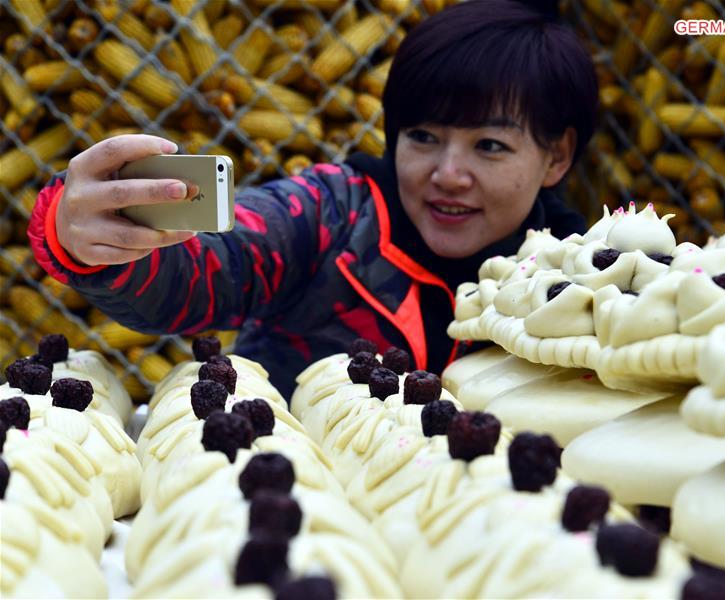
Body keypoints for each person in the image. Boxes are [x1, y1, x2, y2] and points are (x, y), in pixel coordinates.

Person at [28, 0, 598, 399]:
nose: (449, 174)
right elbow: (207, 269)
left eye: (490, 146)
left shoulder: (583, 282)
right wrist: (82, 232)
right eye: (422, 137)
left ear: (556, 156)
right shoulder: (330, 215)